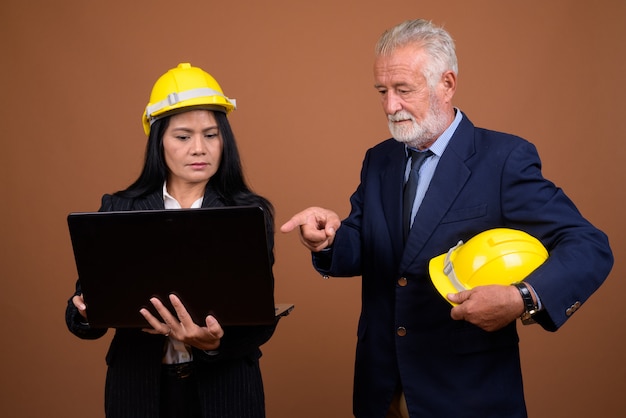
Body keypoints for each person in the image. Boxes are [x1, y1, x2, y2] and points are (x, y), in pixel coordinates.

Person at [280, 19, 613, 418]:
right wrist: (330, 240)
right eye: (382, 91)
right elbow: (373, 246)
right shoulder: (379, 159)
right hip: (381, 389)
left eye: (404, 90)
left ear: (447, 84)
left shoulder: (504, 159)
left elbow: (588, 245)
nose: (390, 106)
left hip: (466, 395)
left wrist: (521, 297)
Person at [66, 63, 279, 418]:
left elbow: (260, 319)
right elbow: (79, 318)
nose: (199, 148)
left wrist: (214, 344)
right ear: (159, 141)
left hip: (225, 392)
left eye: (211, 135)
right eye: (183, 137)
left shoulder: (250, 213)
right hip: (138, 391)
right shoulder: (119, 208)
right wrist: (88, 311)